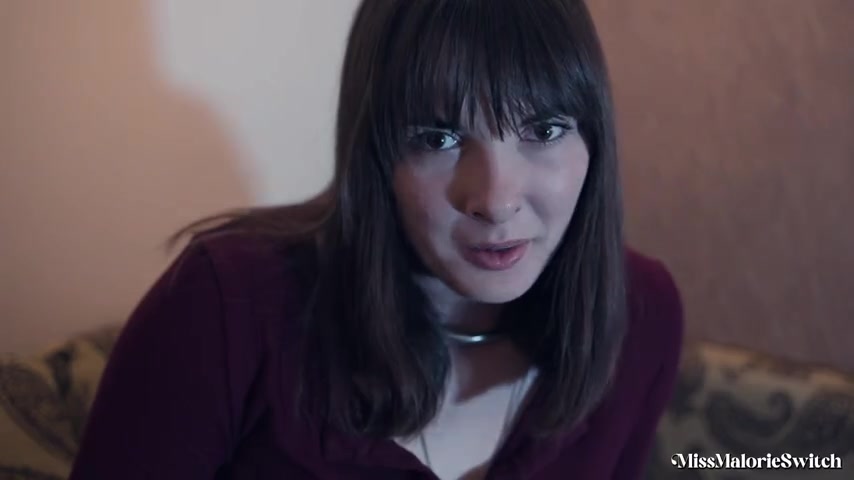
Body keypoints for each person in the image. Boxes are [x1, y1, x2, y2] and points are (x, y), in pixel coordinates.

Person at [69, 0, 684, 478]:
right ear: (376, 152)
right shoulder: (224, 306)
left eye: (544, 130)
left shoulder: (641, 315)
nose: (496, 200)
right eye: (439, 139)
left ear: (595, 138)